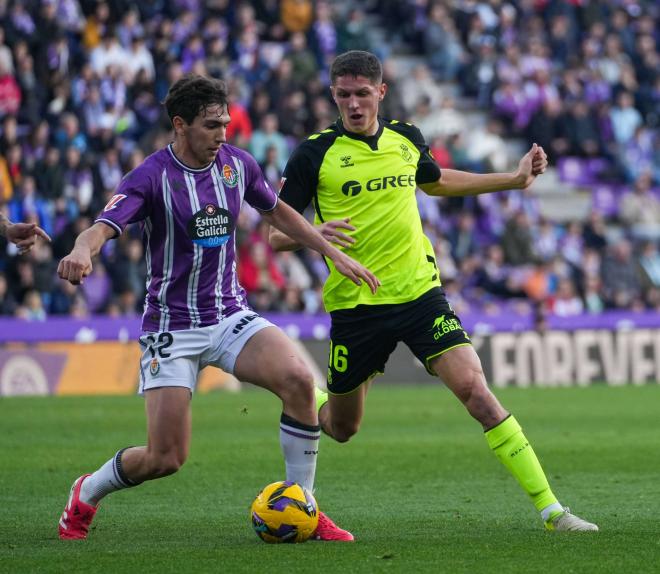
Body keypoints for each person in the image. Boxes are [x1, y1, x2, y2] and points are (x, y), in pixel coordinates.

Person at [270, 51, 598, 533]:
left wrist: (513, 178)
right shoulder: (313, 153)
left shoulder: (406, 138)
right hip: (356, 306)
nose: (354, 105)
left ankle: (552, 510)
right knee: (341, 428)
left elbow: (438, 181)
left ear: (380, 92)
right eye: (344, 95)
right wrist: (317, 231)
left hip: (421, 295)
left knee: (476, 391)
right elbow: (277, 233)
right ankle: (313, 397)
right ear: (333, 95)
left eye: (363, 94)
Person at [57, 75, 380, 542]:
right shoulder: (150, 177)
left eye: (226, 123)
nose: (223, 133)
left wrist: (330, 251)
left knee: (297, 382)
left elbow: (278, 213)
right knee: (164, 458)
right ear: (180, 125)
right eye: (212, 125)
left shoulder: (236, 165)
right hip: (172, 329)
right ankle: (86, 490)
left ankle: (303, 507)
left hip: (229, 316)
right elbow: (102, 226)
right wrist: (83, 251)